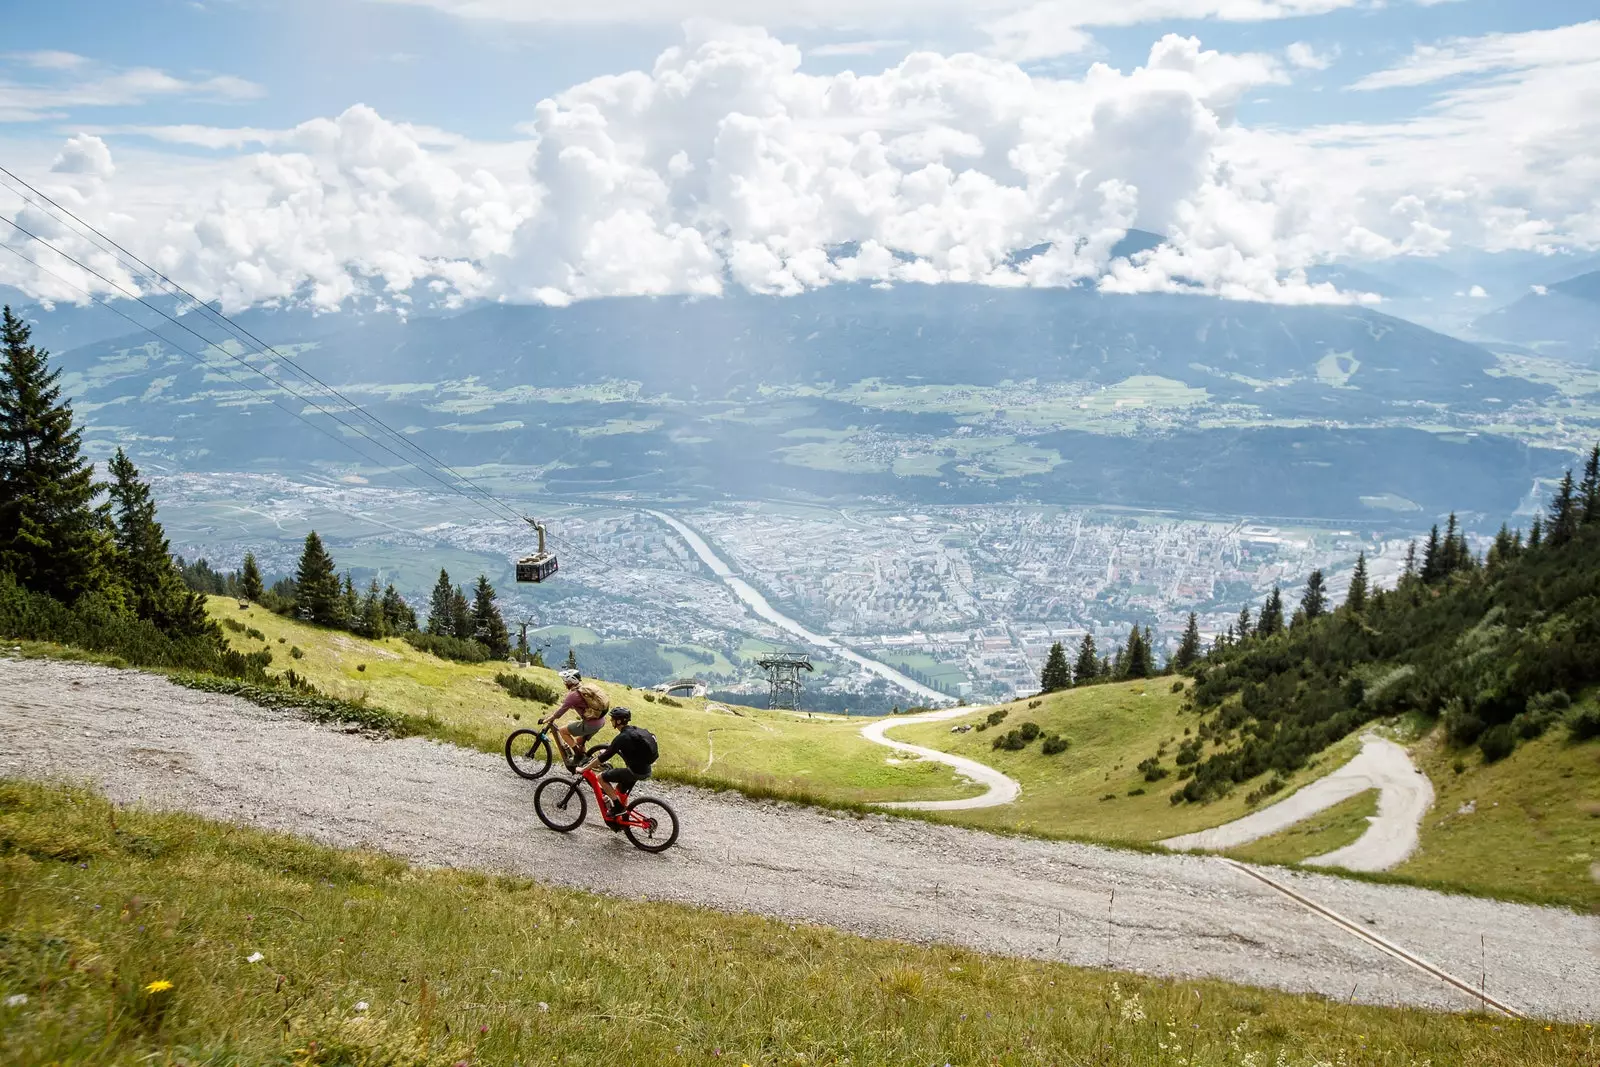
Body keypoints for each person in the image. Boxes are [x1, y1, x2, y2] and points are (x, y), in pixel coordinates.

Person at [577, 707, 658, 826]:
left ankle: (618, 808)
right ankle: (622, 820)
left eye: (613, 719)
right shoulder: (634, 731)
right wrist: (608, 750)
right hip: (645, 769)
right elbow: (618, 748)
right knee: (620, 792)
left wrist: (584, 769)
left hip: (634, 771)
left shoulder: (622, 737)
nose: (611, 721)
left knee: (601, 777)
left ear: (619, 721)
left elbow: (602, 758)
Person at [543, 668, 610, 769]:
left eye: (565, 681)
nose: (564, 683)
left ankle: (578, 756)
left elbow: (561, 711)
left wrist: (548, 719)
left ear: (570, 682)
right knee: (579, 741)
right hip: (600, 721)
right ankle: (588, 764)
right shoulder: (583, 689)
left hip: (590, 724)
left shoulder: (573, 695)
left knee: (562, 731)